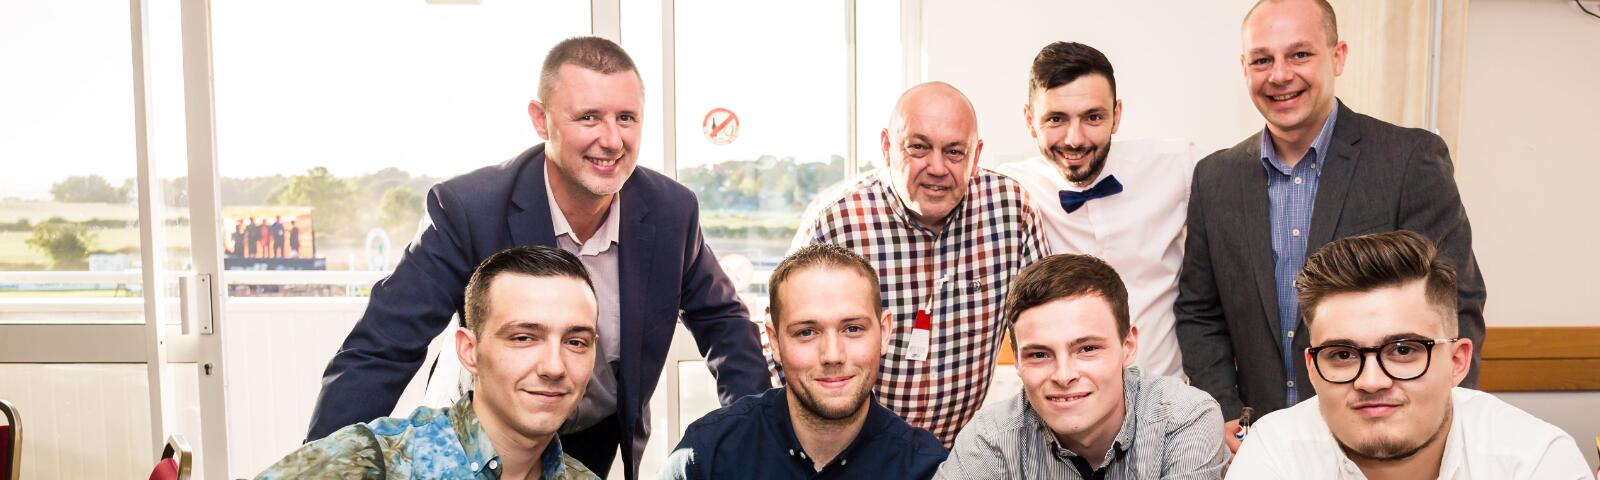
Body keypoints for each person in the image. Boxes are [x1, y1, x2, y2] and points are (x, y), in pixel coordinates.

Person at [306, 36, 769, 480]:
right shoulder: (469, 208)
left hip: (594, 436)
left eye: (626, 118)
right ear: (541, 119)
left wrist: (757, 441)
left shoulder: (672, 211)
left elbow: (725, 325)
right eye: (589, 117)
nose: (611, 140)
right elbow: (382, 348)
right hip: (480, 439)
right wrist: (326, 464)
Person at [1174, 0, 1487, 453]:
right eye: (1262, 60)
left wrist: (1434, 428)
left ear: (1337, 56)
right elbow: (1200, 313)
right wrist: (1223, 411)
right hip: (1264, 445)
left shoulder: (1409, 160)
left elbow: (1455, 303)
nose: (1280, 75)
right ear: (1245, 69)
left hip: (1386, 435)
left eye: (1299, 54)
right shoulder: (1215, 178)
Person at [792, 81, 1049, 445]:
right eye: (919, 147)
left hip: (957, 454)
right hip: (852, 452)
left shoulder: (1012, 211)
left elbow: (1046, 329)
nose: (937, 167)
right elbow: (784, 348)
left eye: (955, 152)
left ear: (976, 156)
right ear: (887, 147)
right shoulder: (837, 223)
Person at [1228, 231, 1589, 479]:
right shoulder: (1274, 453)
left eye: (1403, 350)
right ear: (1313, 369)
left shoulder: (1533, 460)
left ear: (1457, 362)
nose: (1371, 381)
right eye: (1342, 354)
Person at [258, 246, 600, 479]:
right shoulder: (377, 462)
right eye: (524, 338)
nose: (554, 367)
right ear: (469, 351)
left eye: (575, 342)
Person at [996, 41, 1196, 378]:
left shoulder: (1179, 166)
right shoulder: (1011, 189)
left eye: (1093, 117)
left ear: (1117, 115)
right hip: (1066, 398)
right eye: (1055, 119)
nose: (1074, 139)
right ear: (1030, 121)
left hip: (1165, 398)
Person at [661, 244, 946, 479]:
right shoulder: (707, 455)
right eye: (807, 332)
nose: (832, 355)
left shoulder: (926, 469)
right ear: (774, 340)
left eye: (853, 329)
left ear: (884, 333)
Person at [938, 254, 1227, 479]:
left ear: (1127, 347)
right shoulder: (991, 438)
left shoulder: (1184, 419)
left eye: (1087, 349)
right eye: (1039, 354)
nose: (1063, 376)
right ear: (1016, 359)